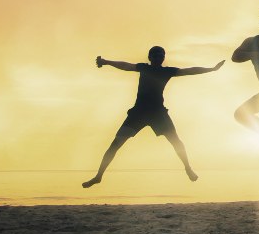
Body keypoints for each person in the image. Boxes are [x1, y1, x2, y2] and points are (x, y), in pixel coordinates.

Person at [83, 46, 224, 188]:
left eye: (161, 55)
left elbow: (189, 71)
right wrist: (107, 62)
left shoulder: (167, 71)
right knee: (115, 145)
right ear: (150, 57)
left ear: (164, 57)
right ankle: (98, 176)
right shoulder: (144, 68)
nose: (158, 57)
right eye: (155, 55)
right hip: (138, 113)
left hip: (158, 114)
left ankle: (188, 168)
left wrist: (211, 69)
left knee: (176, 141)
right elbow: (126, 66)